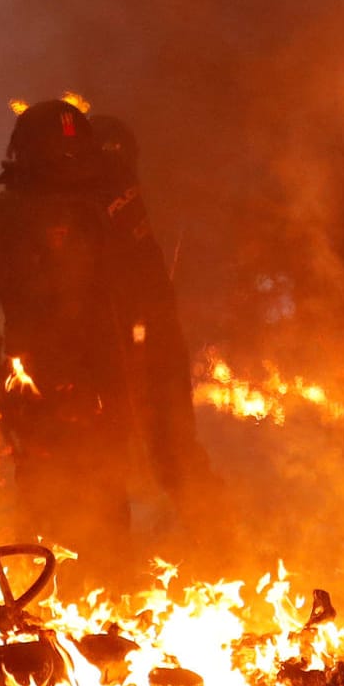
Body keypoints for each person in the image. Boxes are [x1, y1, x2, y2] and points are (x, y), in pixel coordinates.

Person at [0, 99, 187, 582]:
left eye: (72, 153)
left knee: (106, 486)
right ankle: (41, 593)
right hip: (33, 373)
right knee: (40, 485)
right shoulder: (6, 212)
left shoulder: (110, 200)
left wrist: (147, 360)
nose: (64, 163)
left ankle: (111, 593)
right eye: (53, 153)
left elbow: (150, 282)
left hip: (103, 367)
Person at [92, 114, 209, 521]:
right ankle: (215, 544)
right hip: (133, 343)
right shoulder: (115, 199)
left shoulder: (116, 200)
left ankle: (217, 547)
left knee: (169, 451)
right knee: (153, 453)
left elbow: (146, 280)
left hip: (147, 345)